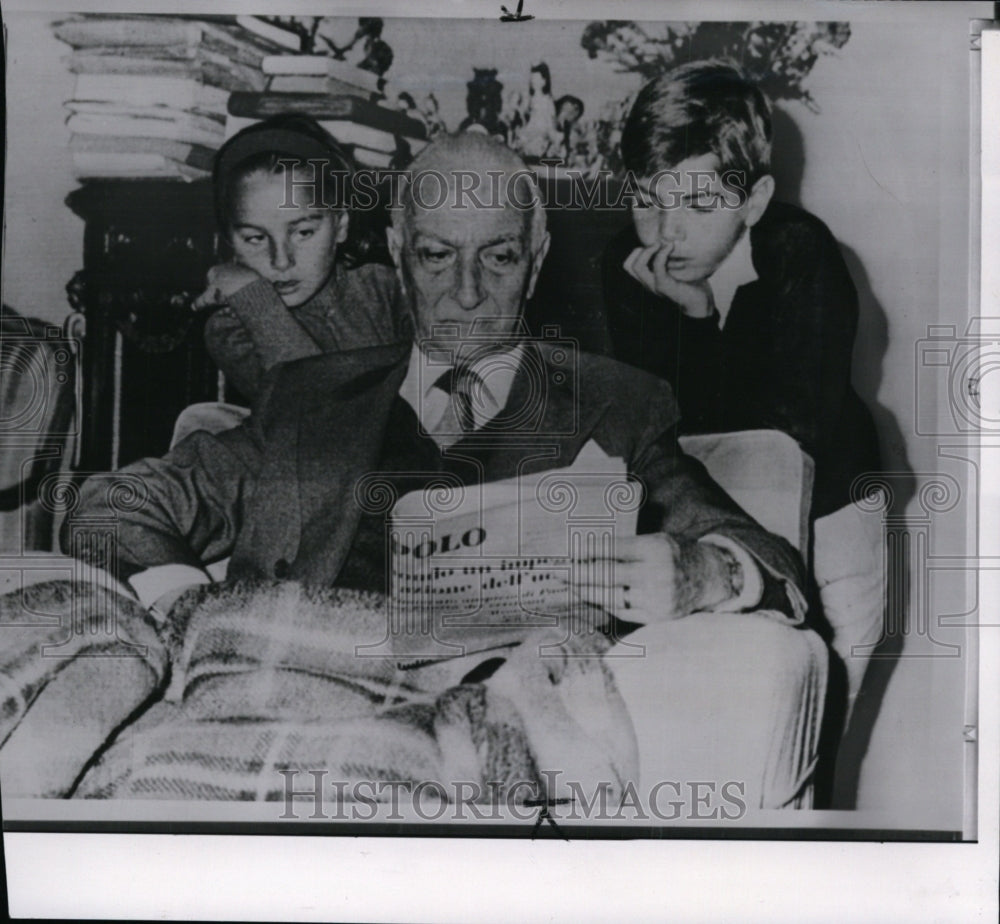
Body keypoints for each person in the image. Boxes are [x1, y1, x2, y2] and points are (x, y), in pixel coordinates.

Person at [71, 132, 806, 630]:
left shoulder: (616, 404)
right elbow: (111, 506)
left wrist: (706, 574)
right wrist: (193, 611)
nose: (465, 293)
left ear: (538, 256)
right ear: (394, 250)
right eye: (433, 256)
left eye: (498, 258)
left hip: (485, 742)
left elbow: (770, 561)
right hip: (287, 698)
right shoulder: (309, 399)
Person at [601, 61, 883, 715]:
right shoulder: (628, 267)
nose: (668, 230)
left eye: (699, 204)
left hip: (834, 506)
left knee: (818, 705)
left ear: (752, 202)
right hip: (714, 506)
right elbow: (657, 425)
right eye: (649, 200)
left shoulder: (801, 253)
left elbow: (789, 430)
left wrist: (697, 320)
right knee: (723, 707)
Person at [195, 114, 412, 402]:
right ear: (229, 241)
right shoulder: (232, 327)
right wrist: (253, 297)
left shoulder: (383, 288)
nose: (281, 261)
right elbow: (315, 412)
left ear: (340, 226)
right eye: (255, 239)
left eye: (303, 233)